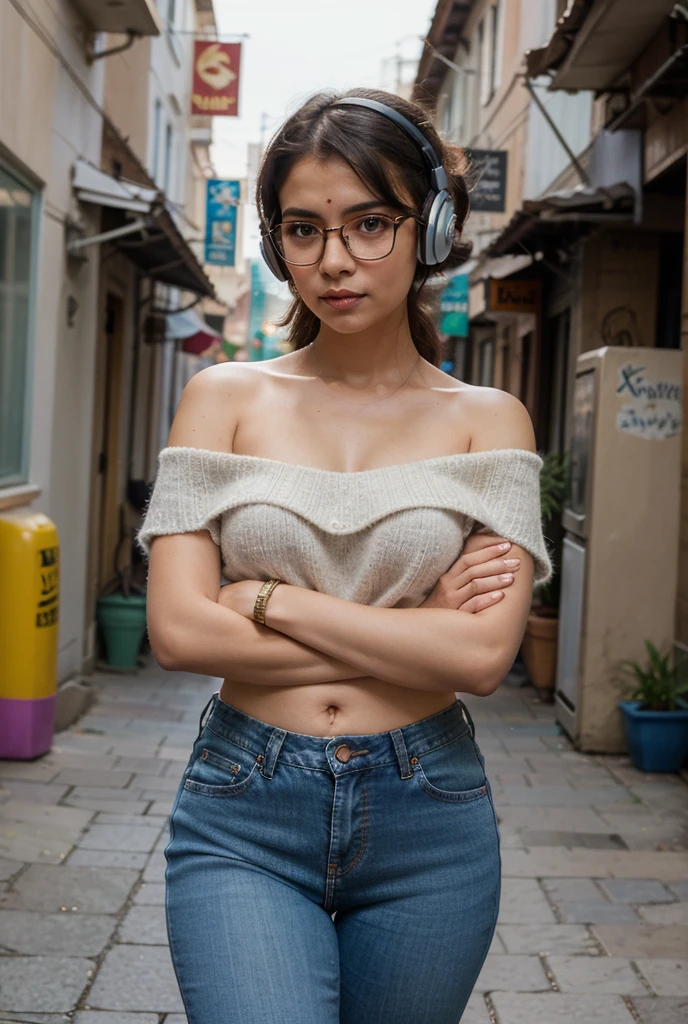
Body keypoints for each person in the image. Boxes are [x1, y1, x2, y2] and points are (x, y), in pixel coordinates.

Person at [137, 87, 551, 1024]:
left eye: (371, 223)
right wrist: (419, 625)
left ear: (431, 227)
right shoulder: (224, 396)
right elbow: (174, 630)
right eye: (303, 229)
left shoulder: (490, 422)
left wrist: (264, 600)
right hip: (243, 804)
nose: (336, 260)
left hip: (429, 816)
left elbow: (482, 659)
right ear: (276, 244)